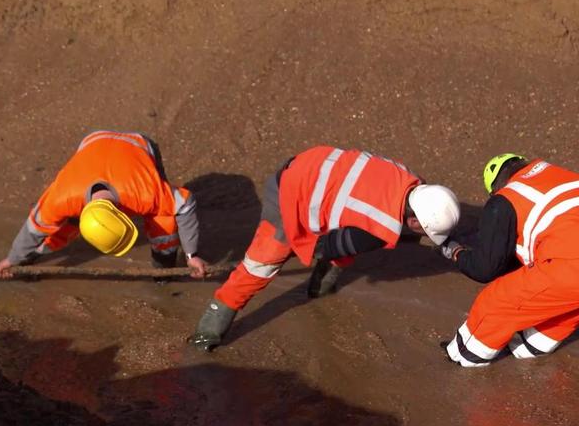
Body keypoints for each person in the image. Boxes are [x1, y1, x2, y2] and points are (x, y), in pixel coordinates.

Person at [189, 145, 460, 351]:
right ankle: (209, 331)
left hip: (315, 167)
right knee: (260, 266)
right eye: (424, 231)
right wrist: (304, 246)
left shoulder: (413, 182)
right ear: (413, 220)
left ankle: (320, 287)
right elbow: (330, 246)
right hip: (290, 193)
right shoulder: (380, 227)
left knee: (347, 243)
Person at [0, 130, 207, 278]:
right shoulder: (62, 197)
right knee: (62, 224)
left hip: (139, 145)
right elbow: (34, 228)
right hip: (93, 142)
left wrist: (191, 255)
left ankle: (164, 269)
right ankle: (29, 259)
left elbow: (186, 204)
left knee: (163, 220)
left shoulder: (146, 193)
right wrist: (12, 259)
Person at [441, 153, 579, 367]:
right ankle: (528, 350)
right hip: (570, 273)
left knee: (495, 303)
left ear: (495, 187)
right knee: (561, 309)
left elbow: (485, 269)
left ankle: (461, 357)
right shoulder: (557, 174)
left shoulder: (506, 198)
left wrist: (455, 251)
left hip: (571, 265)